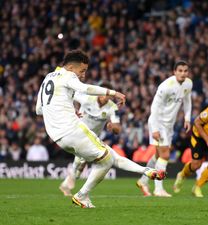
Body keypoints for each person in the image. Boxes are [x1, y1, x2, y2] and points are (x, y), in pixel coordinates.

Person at [36, 50, 165, 208]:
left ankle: (147, 171)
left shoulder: (48, 77)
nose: (83, 75)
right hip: (73, 130)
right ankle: (81, 195)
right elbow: (85, 89)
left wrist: (67, 109)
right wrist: (114, 92)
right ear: (70, 67)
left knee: (109, 155)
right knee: (107, 161)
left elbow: (39, 109)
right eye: (81, 71)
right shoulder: (69, 76)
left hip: (58, 136)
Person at [136, 60, 192, 197]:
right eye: (180, 71)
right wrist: (155, 128)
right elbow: (154, 107)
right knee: (165, 155)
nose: (183, 73)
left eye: (185, 71)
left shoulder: (188, 84)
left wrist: (187, 118)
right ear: (174, 72)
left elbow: (187, 100)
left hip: (169, 125)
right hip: (158, 123)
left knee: (157, 155)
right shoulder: (166, 86)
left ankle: (143, 181)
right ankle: (158, 189)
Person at [59, 81, 122, 197]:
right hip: (78, 132)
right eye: (102, 94)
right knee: (81, 159)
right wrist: (73, 110)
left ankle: (66, 183)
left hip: (92, 138)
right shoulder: (86, 99)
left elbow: (118, 130)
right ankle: (71, 184)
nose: (104, 97)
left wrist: (113, 127)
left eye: (107, 95)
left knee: (81, 165)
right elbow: (70, 95)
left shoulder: (113, 107)